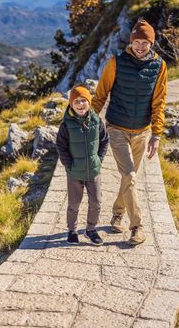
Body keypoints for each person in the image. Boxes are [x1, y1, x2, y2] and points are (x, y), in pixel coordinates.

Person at [92, 19, 168, 246]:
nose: (140, 46)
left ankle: (117, 213)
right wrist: (88, 123)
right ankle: (137, 227)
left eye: (145, 42)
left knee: (128, 178)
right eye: (137, 41)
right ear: (131, 41)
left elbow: (159, 102)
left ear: (151, 43)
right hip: (117, 128)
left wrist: (156, 134)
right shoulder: (116, 62)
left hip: (142, 132)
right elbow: (100, 94)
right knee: (131, 177)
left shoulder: (160, 66)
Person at [56, 85, 109, 245]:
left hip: (93, 171)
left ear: (89, 102)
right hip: (74, 173)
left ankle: (91, 230)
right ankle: (72, 230)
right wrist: (69, 165)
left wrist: (98, 159)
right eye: (76, 101)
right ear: (71, 104)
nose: (80, 104)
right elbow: (61, 146)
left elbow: (105, 140)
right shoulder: (66, 125)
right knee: (74, 203)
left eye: (83, 100)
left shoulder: (96, 121)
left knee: (96, 202)